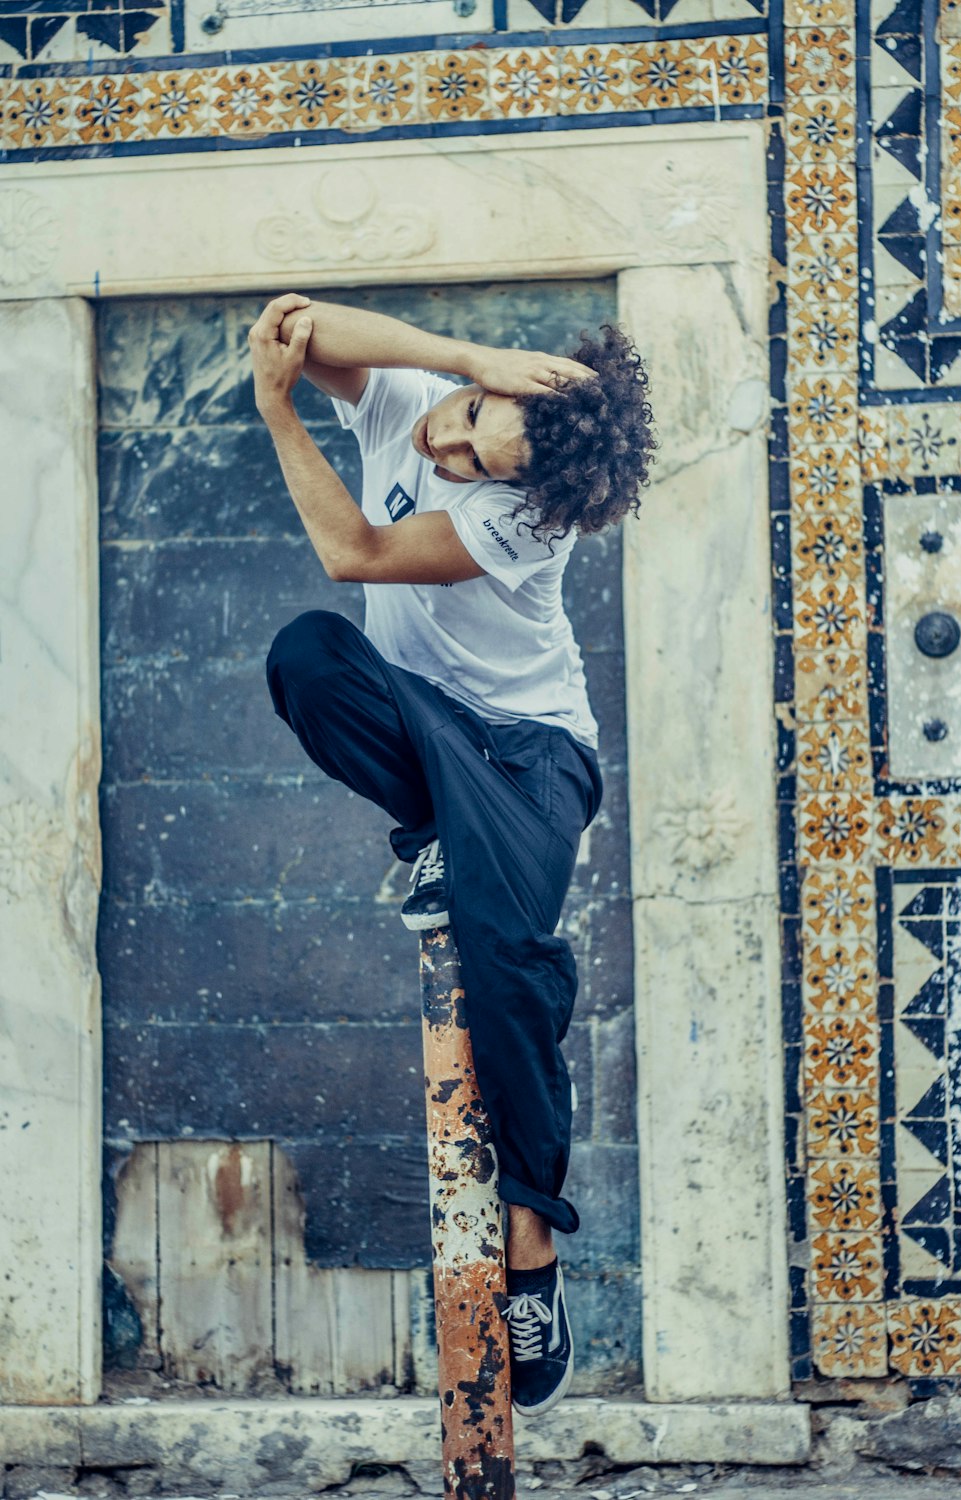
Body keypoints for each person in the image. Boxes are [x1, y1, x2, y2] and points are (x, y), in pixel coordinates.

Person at [251, 292, 655, 1417]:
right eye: (473, 413)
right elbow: (299, 321)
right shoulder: (424, 396)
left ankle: (530, 1242)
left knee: (506, 962)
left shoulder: (529, 515)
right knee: (309, 660)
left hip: (531, 759)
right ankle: (433, 833)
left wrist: (280, 416)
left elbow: (354, 551)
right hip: (432, 732)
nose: (449, 442)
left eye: (477, 456)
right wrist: (466, 361)